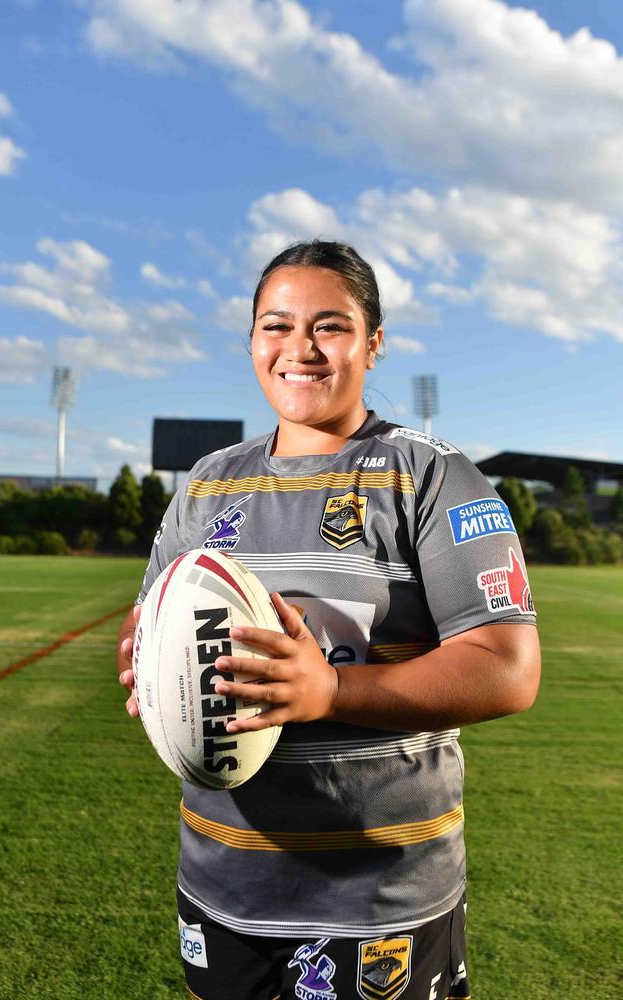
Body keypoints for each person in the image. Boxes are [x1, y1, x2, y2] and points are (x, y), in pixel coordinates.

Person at [117, 240, 540, 1000]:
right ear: (252, 341)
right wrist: (145, 657)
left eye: (330, 326)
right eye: (275, 326)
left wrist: (331, 693)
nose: (299, 349)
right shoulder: (208, 484)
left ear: (373, 343)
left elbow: (508, 668)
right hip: (222, 884)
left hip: (379, 902)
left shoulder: (431, 475)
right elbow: (152, 618)